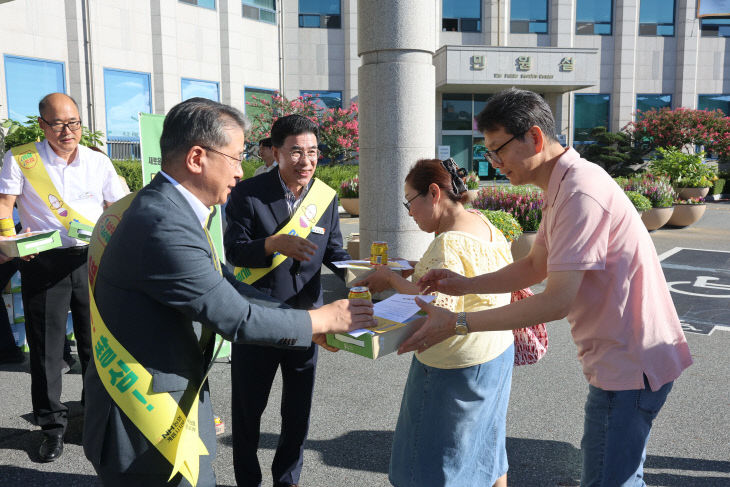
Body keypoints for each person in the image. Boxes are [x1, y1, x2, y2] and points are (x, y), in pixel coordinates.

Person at [404, 88, 693, 487]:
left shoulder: (580, 192)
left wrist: (457, 322)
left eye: (497, 149)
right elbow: (535, 266)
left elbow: (555, 301)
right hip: (620, 359)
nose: (494, 162)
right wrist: (465, 284)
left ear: (535, 138)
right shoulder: (562, 186)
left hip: (630, 363)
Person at [82, 98, 374, 487]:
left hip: (165, 400)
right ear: (197, 157)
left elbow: (224, 282)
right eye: (235, 157)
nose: (241, 169)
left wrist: (310, 324)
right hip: (144, 421)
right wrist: (321, 319)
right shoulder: (163, 222)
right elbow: (233, 314)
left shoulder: (168, 208)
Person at [353, 158, 514, 487]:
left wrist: (390, 278)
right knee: (488, 446)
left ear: (434, 192)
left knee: (431, 462)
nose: (409, 212)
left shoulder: (447, 242)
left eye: (410, 202)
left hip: (454, 367)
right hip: (496, 354)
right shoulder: (485, 224)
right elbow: (464, 277)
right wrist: (413, 267)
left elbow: (437, 310)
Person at [224, 114, 350, 487]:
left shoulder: (324, 197)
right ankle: (248, 480)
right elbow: (234, 251)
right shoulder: (248, 193)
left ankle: (287, 478)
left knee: (297, 411)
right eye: (296, 152)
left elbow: (336, 252)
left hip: (308, 321)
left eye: (312, 152)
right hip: (257, 317)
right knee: (249, 411)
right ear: (276, 152)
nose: (306, 161)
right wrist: (272, 244)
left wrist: (364, 275)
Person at [0, 93, 127, 462]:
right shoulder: (21, 158)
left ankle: (94, 418)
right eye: (58, 124)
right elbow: (5, 205)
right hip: (43, 261)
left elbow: (116, 208)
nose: (68, 131)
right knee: (46, 350)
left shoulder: (97, 161)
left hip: (91, 261)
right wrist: (10, 239)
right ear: (43, 125)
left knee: (95, 346)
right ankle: (52, 427)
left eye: (74, 123)